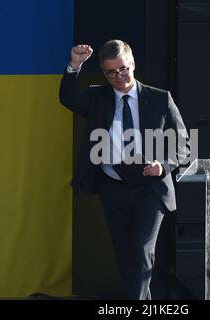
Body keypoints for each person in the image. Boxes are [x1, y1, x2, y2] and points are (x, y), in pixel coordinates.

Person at [59, 40, 190, 299]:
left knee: (142, 252)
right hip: (113, 187)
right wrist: (75, 65)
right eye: (111, 72)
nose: (119, 76)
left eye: (123, 69)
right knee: (126, 258)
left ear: (133, 64)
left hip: (150, 190)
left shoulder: (160, 98)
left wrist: (163, 166)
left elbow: (184, 144)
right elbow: (68, 98)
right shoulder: (99, 98)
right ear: (104, 73)